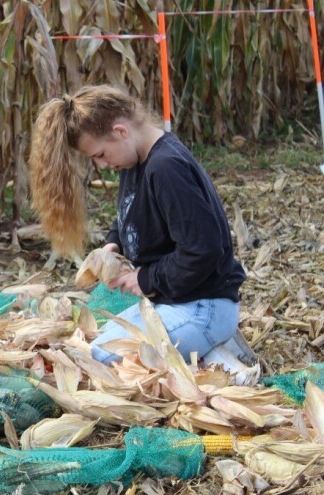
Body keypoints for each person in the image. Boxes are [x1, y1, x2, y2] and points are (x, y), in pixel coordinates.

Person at [30, 85, 256, 377]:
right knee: (103, 337)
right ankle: (208, 350)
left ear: (121, 131)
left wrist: (145, 277)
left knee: (105, 354)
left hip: (204, 306)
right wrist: (114, 245)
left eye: (99, 154)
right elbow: (131, 214)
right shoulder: (135, 160)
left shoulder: (166, 167)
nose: (102, 164)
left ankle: (223, 365)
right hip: (174, 302)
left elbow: (203, 249)